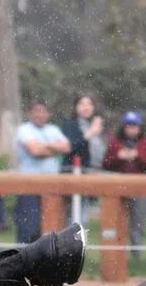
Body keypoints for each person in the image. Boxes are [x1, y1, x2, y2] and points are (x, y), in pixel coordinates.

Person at [13, 100, 71, 244]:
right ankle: (24, 261)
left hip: (52, 186)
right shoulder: (24, 129)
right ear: (30, 113)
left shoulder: (53, 129)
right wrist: (54, 148)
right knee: (29, 228)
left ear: (49, 114)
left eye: (42, 111)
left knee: (53, 229)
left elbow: (67, 147)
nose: (39, 114)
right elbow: (35, 151)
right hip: (29, 187)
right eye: (36, 110)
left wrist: (44, 145)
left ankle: (46, 262)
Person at [101, 112, 146, 254]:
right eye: (129, 126)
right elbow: (106, 163)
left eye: (134, 126)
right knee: (117, 222)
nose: (132, 129)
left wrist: (137, 156)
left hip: (140, 188)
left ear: (139, 127)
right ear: (124, 127)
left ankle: (136, 255)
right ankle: (117, 254)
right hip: (119, 187)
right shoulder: (116, 142)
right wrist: (119, 157)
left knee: (138, 223)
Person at [59, 95, 106, 173]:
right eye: (82, 104)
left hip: (96, 172)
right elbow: (69, 147)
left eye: (89, 104)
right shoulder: (70, 124)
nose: (86, 107)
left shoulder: (96, 125)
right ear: (75, 107)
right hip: (74, 172)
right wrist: (90, 133)